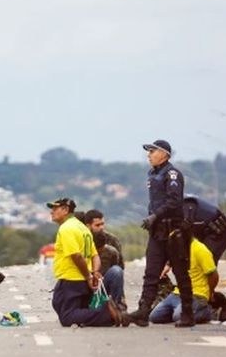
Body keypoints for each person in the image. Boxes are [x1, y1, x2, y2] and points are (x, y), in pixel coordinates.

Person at [129, 140, 195, 328]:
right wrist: (151, 218)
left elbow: (174, 202)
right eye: (148, 151)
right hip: (157, 232)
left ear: (165, 154)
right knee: (151, 273)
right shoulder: (152, 174)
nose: (148, 155)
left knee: (181, 273)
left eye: (152, 151)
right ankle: (143, 312)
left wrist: (155, 216)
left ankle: (188, 314)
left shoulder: (172, 174)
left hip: (173, 232)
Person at [48, 197, 129, 327]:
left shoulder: (67, 228)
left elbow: (76, 256)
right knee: (58, 303)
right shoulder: (82, 228)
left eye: (55, 208)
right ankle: (104, 311)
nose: (52, 212)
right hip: (82, 282)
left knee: (67, 317)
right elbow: (95, 255)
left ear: (65, 210)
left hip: (71, 279)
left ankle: (108, 313)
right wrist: (94, 272)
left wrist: (88, 276)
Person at [150, 237, 219, 325]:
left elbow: (214, 275)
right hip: (177, 293)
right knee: (155, 317)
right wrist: (167, 266)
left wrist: (210, 291)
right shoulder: (177, 248)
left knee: (179, 316)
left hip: (197, 295)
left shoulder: (200, 249)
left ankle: (209, 311)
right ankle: (183, 311)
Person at [183, 195, 226, 264]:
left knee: (204, 263)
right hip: (206, 232)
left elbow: (183, 235)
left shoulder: (186, 207)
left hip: (219, 232)